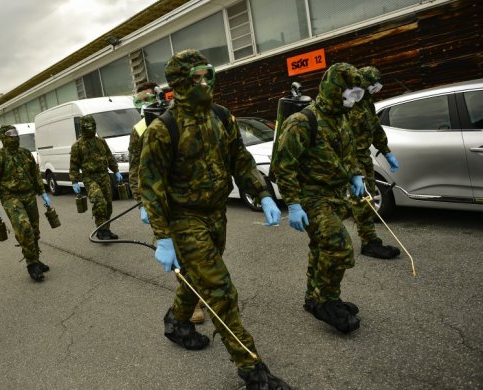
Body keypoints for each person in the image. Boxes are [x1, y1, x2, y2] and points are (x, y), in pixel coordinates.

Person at [139, 49, 288, 389]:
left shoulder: (221, 116)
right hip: (184, 219)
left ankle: (178, 322)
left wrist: (262, 193)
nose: (204, 83)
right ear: (179, 83)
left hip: (216, 214)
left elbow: (240, 158)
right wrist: (162, 237)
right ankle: (252, 369)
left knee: (197, 277)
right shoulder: (164, 129)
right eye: (196, 78)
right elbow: (150, 186)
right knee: (220, 289)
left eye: (207, 75)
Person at [273, 63, 365, 334]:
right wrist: (292, 203)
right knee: (339, 248)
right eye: (351, 93)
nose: (354, 99)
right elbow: (283, 165)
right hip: (311, 198)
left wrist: (355, 175)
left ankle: (314, 298)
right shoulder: (302, 121)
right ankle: (327, 301)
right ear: (335, 89)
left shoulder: (341, 117)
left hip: (335, 196)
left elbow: (348, 153)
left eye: (359, 94)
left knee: (321, 248)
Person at [129, 81, 206, 325]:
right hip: (160, 199)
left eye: (150, 97)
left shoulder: (179, 117)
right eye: (141, 98)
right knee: (181, 253)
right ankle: (191, 303)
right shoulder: (140, 129)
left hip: (189, 196)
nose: (147, 102)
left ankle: (198, 292)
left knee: (202, 249)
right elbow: (134, 170)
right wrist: (141, 202)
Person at [0, 125, 52, 282]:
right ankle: (31, 264)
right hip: (11, 197)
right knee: (24, 228)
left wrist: (43, 192)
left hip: (29, 195)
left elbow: (35, 174)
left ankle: (35, 259)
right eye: (10, 134)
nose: (14, 137)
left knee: (34, 230)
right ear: (3, 137)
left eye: (15, 133)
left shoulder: (25, 153)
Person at [348, 66, 401, 259]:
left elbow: (376, 128)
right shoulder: (349, 103)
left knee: (363, 198)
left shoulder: (367, 103)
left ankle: (360, 235)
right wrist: (352, 169)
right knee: (363, 199)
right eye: (373, 86)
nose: (375, 90)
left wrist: (386, 151)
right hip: (350, 158)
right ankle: (369, 243)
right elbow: (341, 138)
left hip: (363, 156)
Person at [69, 115, 123, 240]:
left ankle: (107, 230)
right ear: (82, 128)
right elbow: (74, 165)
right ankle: (100, 231)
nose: (90, 128)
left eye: (92, 126)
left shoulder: (101, 142)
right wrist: (74, 181)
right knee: (99, 202)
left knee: (108, 205)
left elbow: (109, 157)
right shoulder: (77, 146)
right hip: (90, 178)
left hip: (104, 175)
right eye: (88, 126)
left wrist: (116, 171)